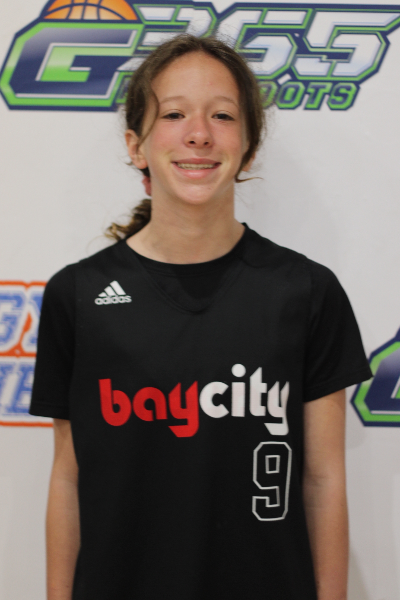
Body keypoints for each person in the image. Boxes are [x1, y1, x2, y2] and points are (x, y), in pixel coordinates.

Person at [29, 34, 372, 600]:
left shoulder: (306, 291)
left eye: (222, 115)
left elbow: (322, 481)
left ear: (249, 147)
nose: (199, 134)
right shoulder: (78, 294)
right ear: (136, 145)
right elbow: (68, 480)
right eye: (173, 114)